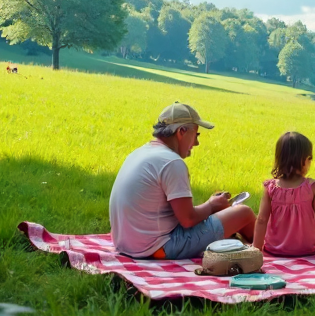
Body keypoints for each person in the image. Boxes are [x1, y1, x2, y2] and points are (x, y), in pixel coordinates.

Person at [108, 103, 256, 259]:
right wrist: (212, 205)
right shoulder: (172, 162)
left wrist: (213, 207)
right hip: (156, 248)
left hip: (125, 244)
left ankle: (247, 243)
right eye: (196, 135)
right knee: (243, 213)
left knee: (225, 215)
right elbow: (188, 219)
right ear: (182, 131)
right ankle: (269, 247)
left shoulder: (140, 152)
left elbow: (179, 214)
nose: (197, 143)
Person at [252, 131, 315, 261]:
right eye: (310, 158)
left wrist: (256, 252)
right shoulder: (313, 187)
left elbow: (261, 219)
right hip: (308, 250)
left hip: (275, 250)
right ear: (304, 160)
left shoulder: (270, 188)